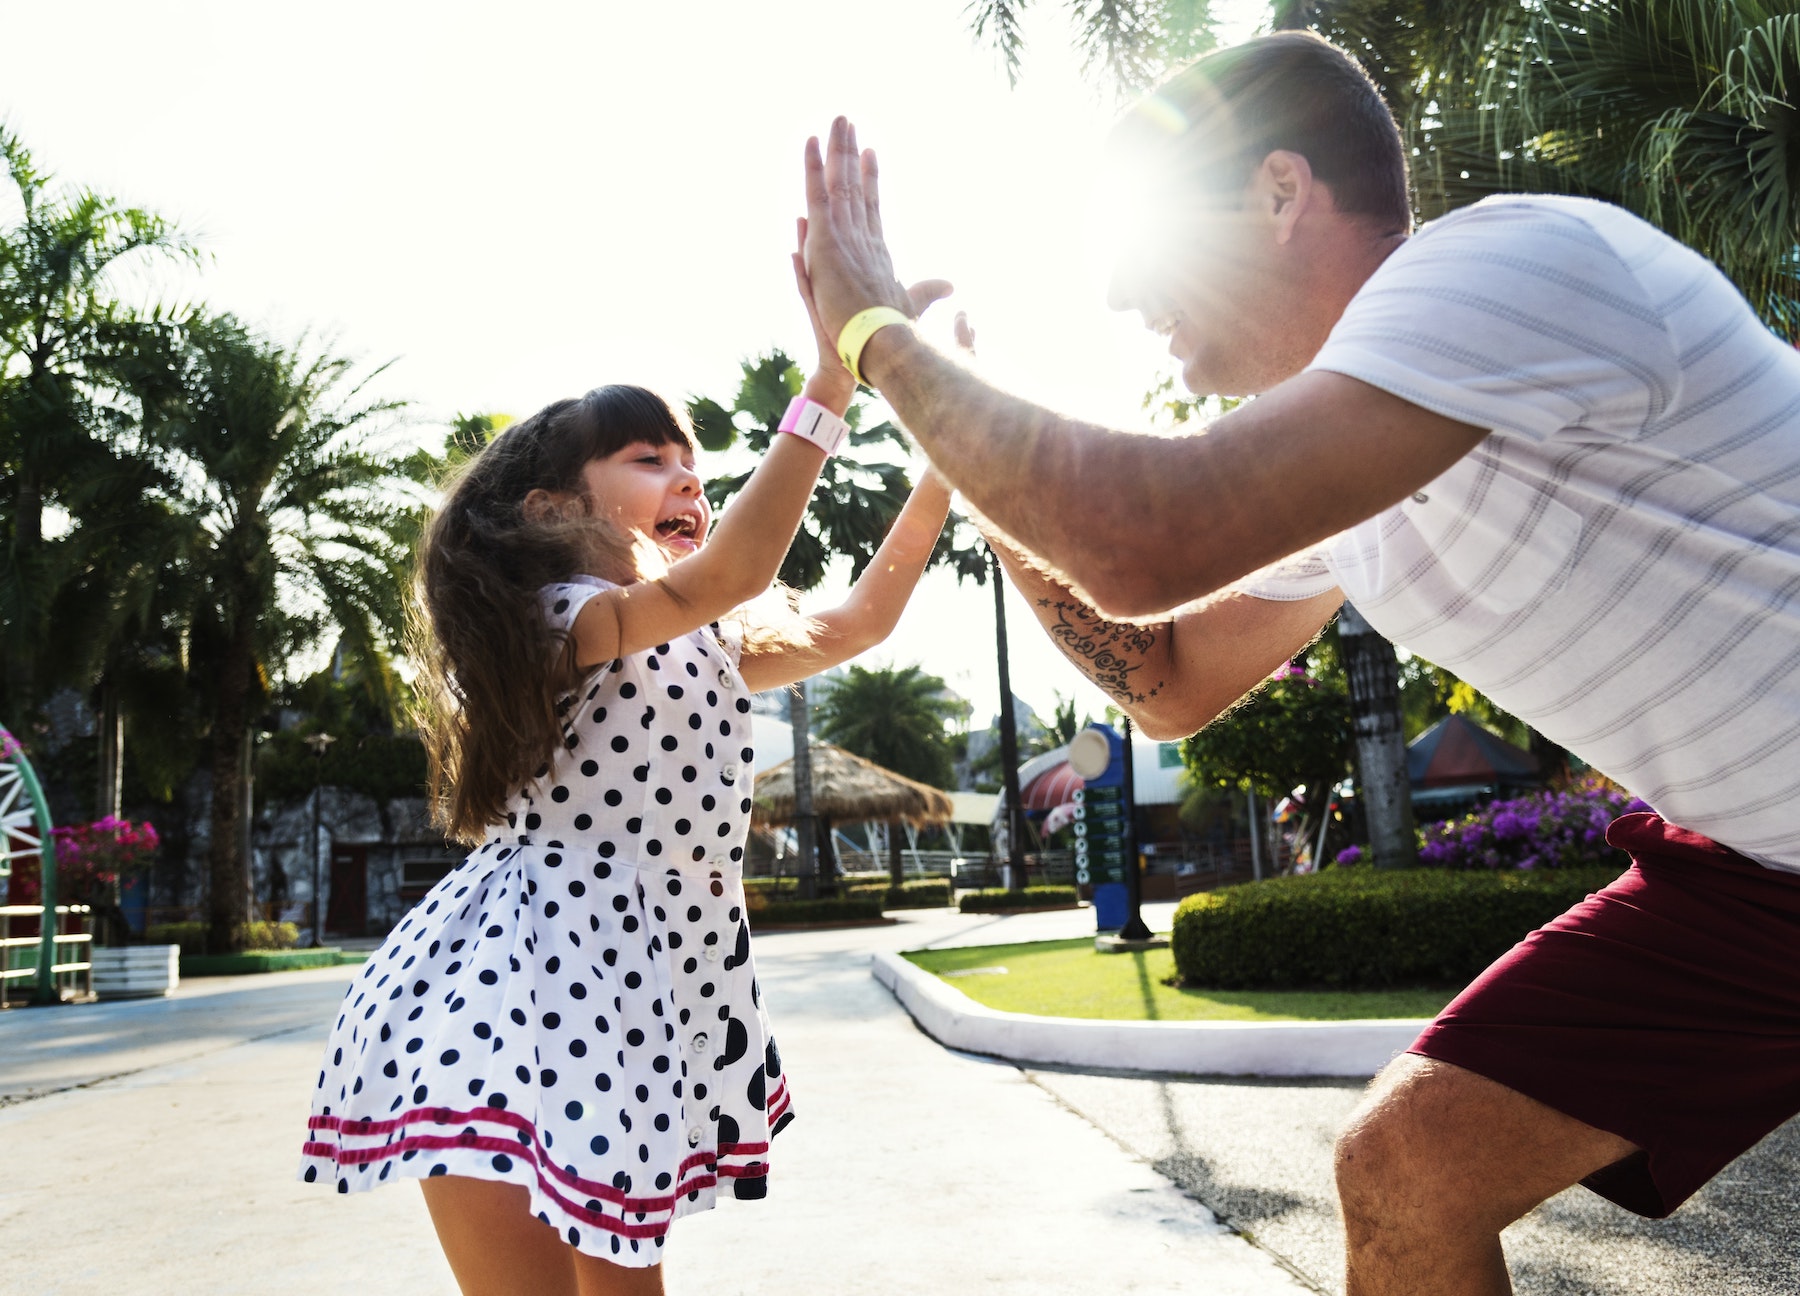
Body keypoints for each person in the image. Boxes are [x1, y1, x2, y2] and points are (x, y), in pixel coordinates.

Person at [797, 30, 1800, 1296]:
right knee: (1409, 1167)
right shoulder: (1346, 465)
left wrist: (877, 335)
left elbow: (1145, 537)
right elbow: (1165, 676)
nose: (1120, 296)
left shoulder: (1508, 262)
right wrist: (977, 468)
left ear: (1281, 193)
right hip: (1765, 873)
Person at [298, 241, 955, 1296]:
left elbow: (858, 621)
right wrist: (829, 385)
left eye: (689, 459)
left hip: (639, 971)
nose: (687, 476)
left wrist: (939, 478)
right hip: (530, 982)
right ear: (552, 509)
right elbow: (733, 568)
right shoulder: (560, 622)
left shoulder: (708, 637)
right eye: (649, 459)